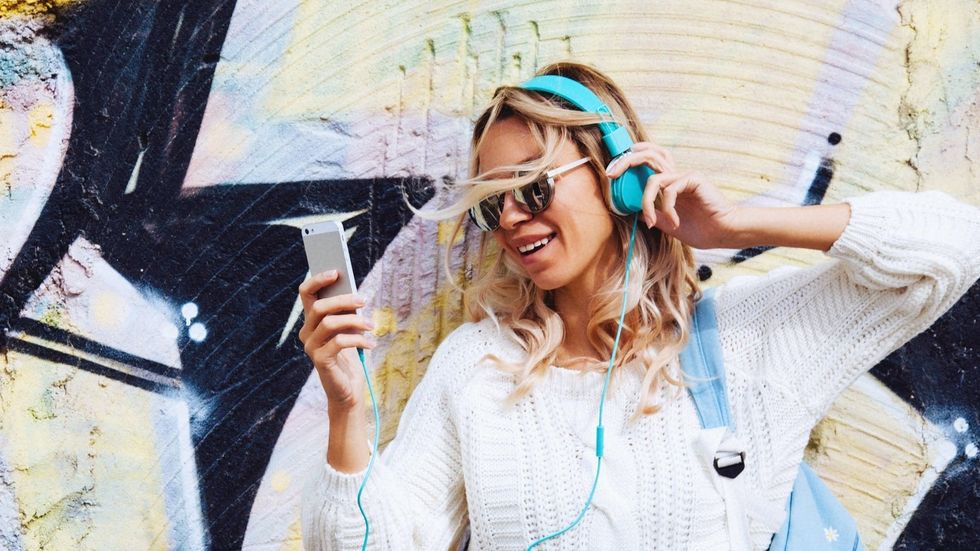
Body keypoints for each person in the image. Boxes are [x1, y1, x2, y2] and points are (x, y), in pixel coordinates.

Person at [297, 61, 980, 550]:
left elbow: (954, 246)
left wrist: (741, 226)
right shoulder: (477, 367)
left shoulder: (746, 340)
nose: (509, 217)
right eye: (490, 202)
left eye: (532, 188)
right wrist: (347, 408)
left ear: (616, 175)